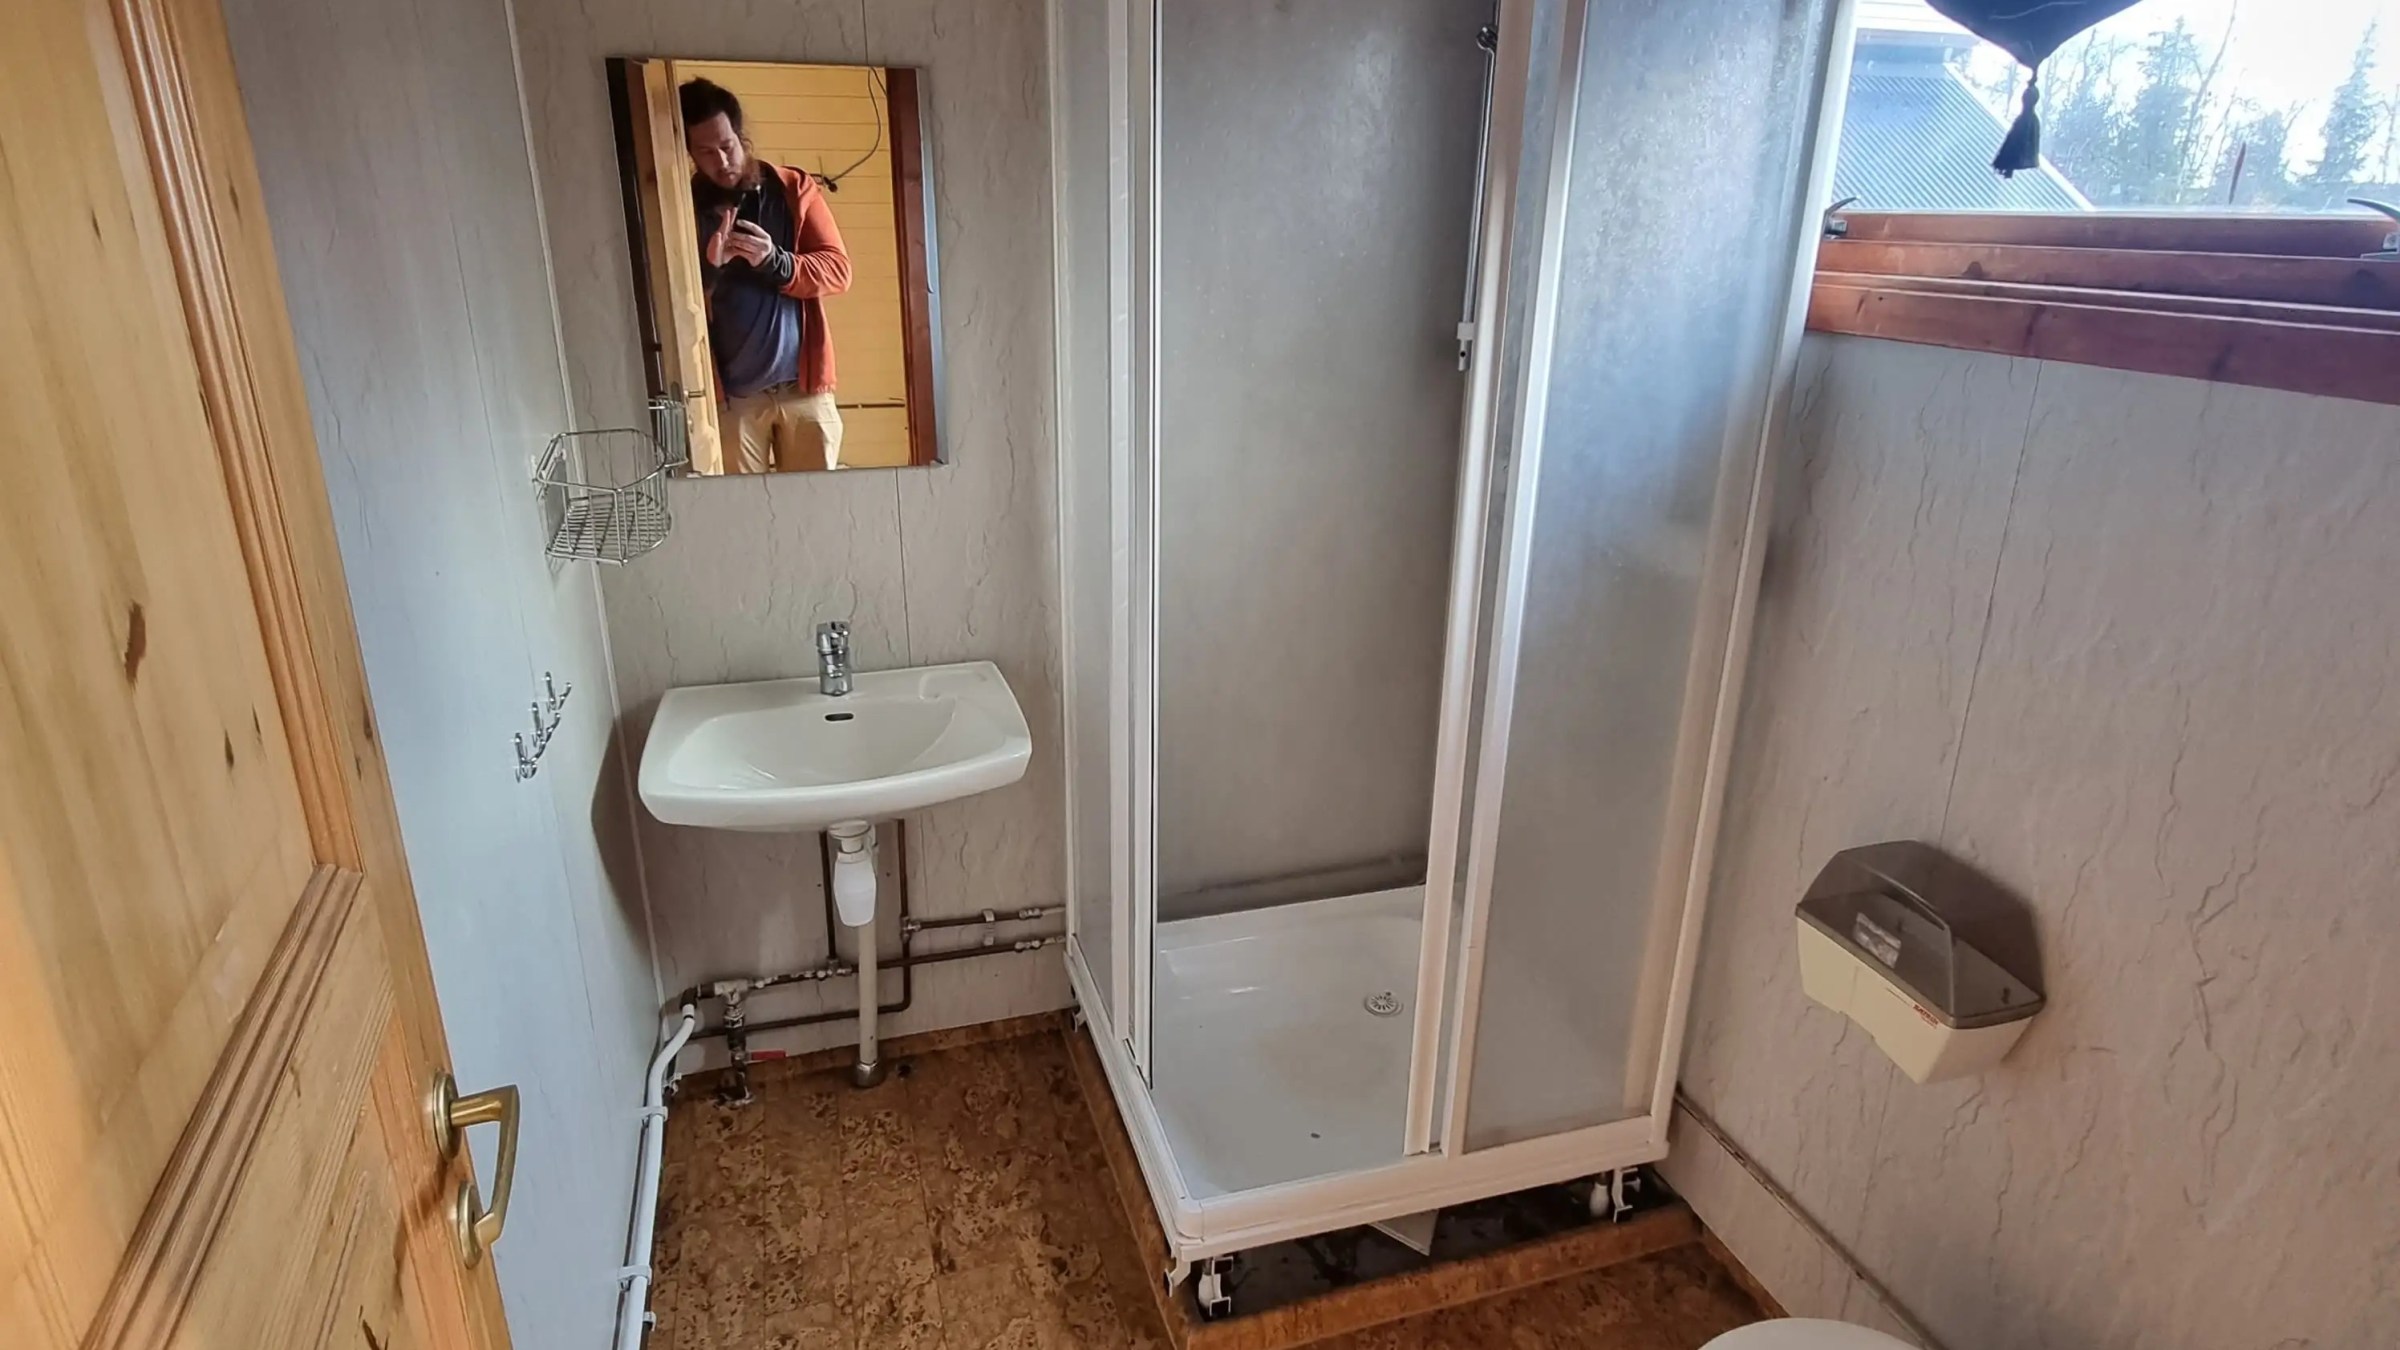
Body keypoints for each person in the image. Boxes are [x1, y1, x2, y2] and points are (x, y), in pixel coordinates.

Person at [681, 77, 853, 472]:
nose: (722, 162)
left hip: (804, 390)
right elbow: (675, 305)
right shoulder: (680, 205)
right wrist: (709, 267)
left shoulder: (793, 188)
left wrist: (776, 261)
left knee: (819, 506)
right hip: (734, 399)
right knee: (743, 512)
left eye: (727, 146)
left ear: (741, 136)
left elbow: (838, 271)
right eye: (706, 152)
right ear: (688, 152)